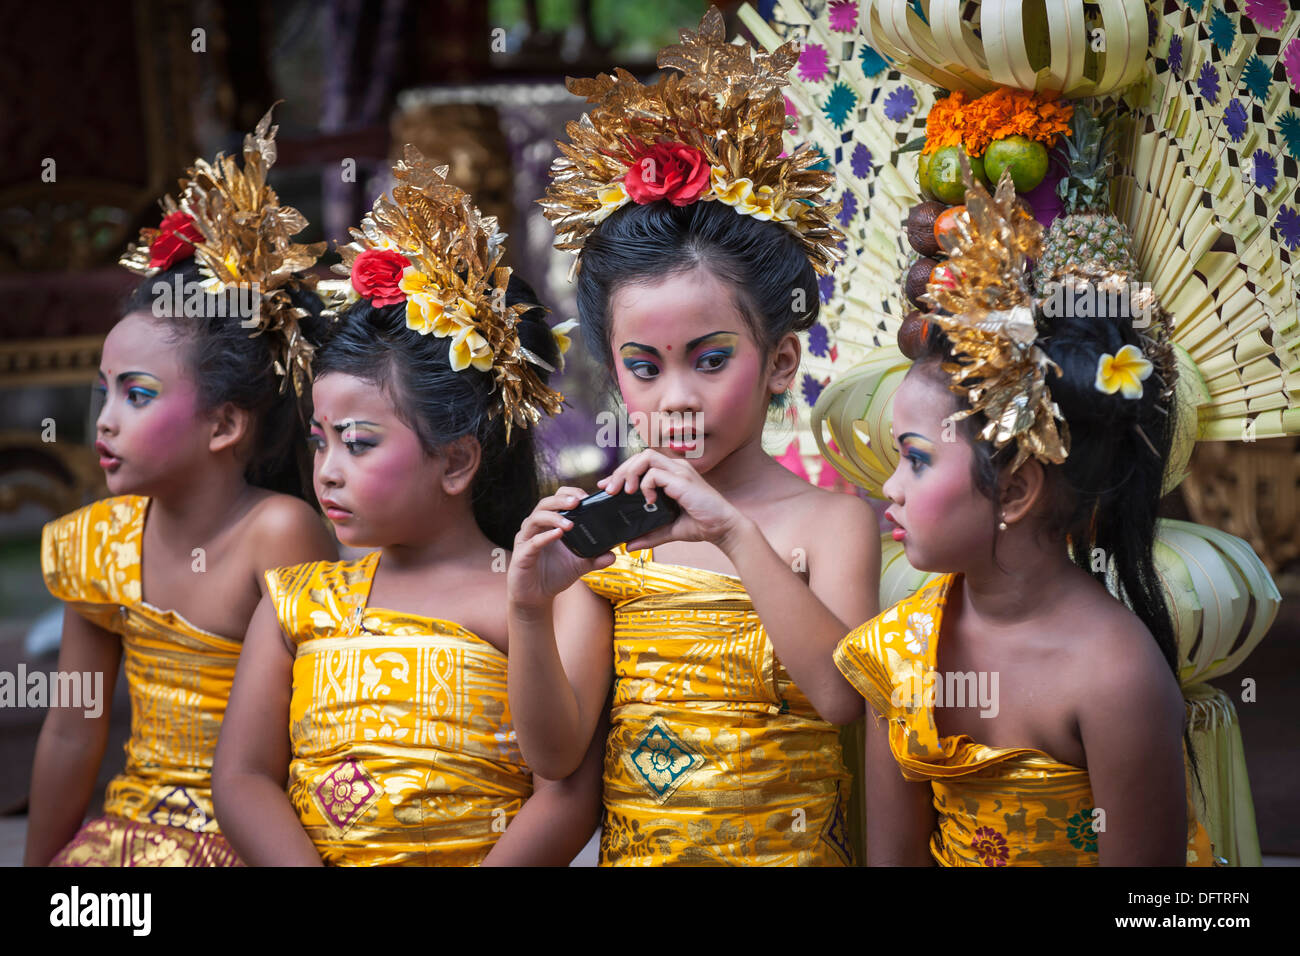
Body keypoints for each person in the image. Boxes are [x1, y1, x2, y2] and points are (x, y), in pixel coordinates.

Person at [506, 8, 879, 865]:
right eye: (644, 366)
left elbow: (841, 698)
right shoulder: (608, 539)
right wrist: (529, 607)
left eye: (710, 360)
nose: (677, 396)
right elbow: (557, 758)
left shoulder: (832, 523)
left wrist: (733, 533)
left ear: (781, 360)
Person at [212, 150, 603, 865]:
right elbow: (241, 777)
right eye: (318, 441)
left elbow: (567, 789)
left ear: (455, 460)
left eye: (359, 444)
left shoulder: (546, 597)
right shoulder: (297, 601)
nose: (326, 472)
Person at [833, 167, 1216, 865]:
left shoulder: (1116, 676)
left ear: (1014, 491)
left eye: (915, 459)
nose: (887, 487)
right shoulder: (899, 648)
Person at [26, 109, 337, 867]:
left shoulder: (280, 534)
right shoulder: (99, 539)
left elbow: (321, 729)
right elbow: (72, 726)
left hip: (250, 840)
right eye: (104, 391)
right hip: (127, 836)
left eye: (136, 394)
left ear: (225, 424)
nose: (104, 420)